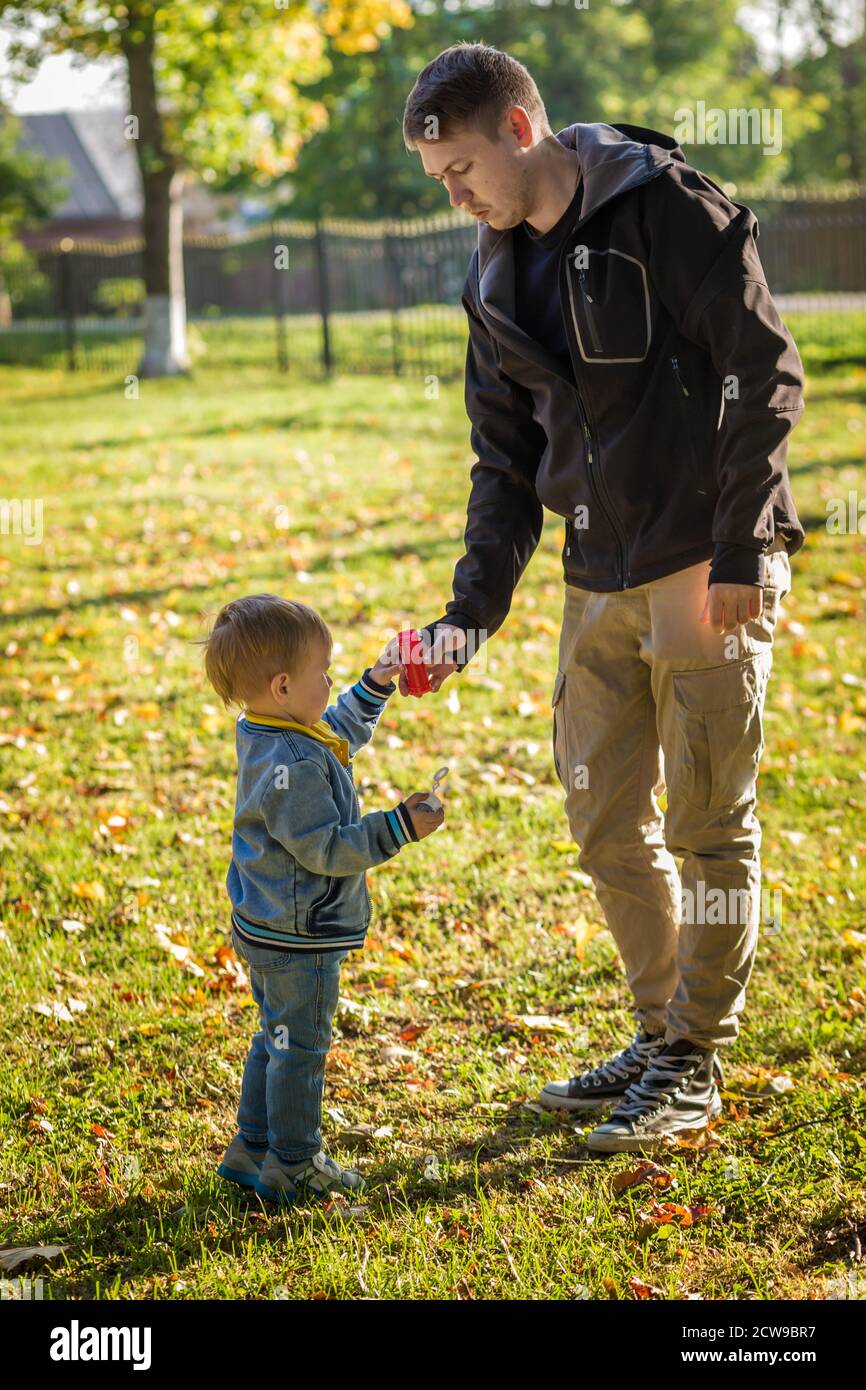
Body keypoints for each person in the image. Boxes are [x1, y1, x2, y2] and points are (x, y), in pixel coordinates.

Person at [401, 42, 804, 1153]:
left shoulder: (666, 206)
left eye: (462, 168)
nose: (457, 195)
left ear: (519, 129)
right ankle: (655, 1028)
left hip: (697, 562)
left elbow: (760, 374)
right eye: (439, 180)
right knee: (602, 820)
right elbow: (501, 460)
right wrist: (468, 613)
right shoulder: (491, 273)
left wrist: (738, 547)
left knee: (707, 821)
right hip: (595, 575)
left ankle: (694, 1054)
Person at [201, 594, 444, 1202]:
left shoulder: (271, 731)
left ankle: (251, 1147)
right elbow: (327, 849)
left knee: (275, 1036)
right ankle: (294, 1163)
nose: (331, 682)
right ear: (284, 686)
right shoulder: (291, 761)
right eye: (324, 674)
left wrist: (377, 682)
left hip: (267, 924)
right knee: (301, 1048)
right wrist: (399, 828)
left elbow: (335, 731)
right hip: (298, 935)